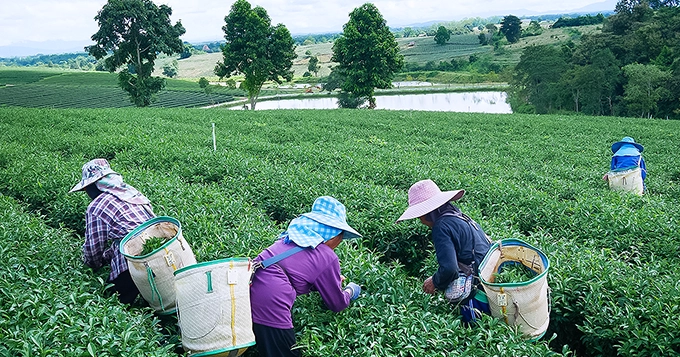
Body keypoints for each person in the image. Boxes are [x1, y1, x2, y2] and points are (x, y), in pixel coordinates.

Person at [249, 196, 362, 357]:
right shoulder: (327, 256)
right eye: (341, 237)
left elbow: (294, 273)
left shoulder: (288, 239)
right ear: (333, 235)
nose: (340, 241)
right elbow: (337, 304)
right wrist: (351, 291)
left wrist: (324, 284)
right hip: (271, 306)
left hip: (249, 293)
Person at [397, 179, 491, 322]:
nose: (421, 221)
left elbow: (449, 269)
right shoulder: (459, 216)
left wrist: (434, 282)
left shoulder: (441, 227)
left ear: (426, 213)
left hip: (477, 294)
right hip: (489, 282)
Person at [69, 158, 155, 304]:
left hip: (132, 261)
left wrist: (91, 268)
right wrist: (107, 257)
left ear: (95, 185)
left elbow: (92, 250)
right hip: (160, 253)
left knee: (114, 304)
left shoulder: (97, 206)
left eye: (86, 188)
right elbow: (129, 231)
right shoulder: (131, 193)